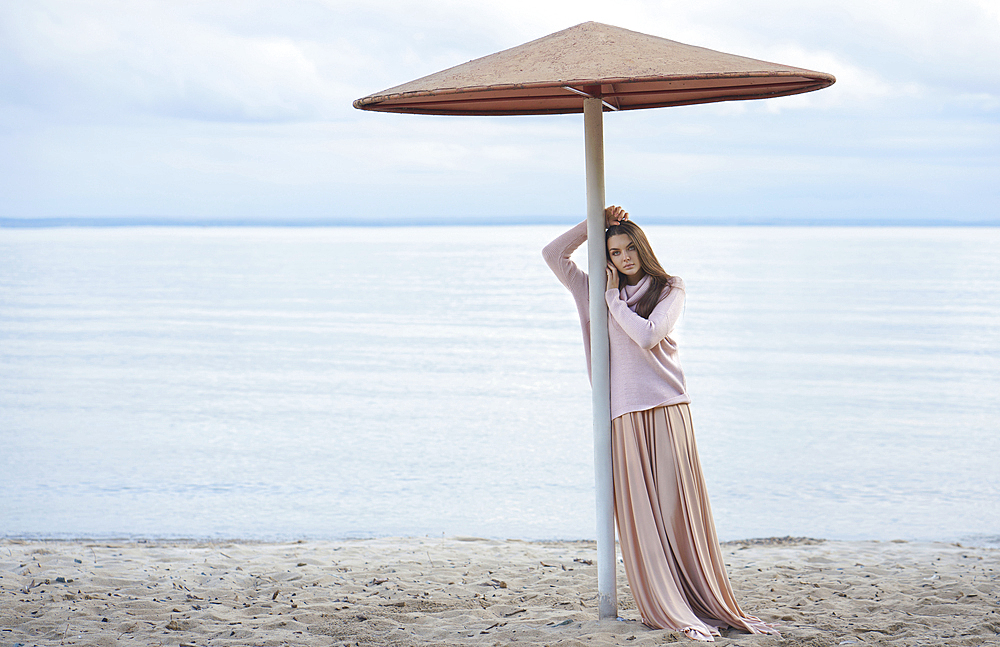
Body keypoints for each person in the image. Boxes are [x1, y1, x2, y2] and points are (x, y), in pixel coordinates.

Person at [542, 206, 775, 642]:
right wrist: (595, 220)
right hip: (622, 415)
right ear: (606, 257)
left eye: (630, 248)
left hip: (667, 409)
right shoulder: (590, 291)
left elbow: (648, 335)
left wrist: (613, 300)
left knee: (675, 509)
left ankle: (697, 596)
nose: (625, 257)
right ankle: (664, 601)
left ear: (643, 248)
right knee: (642, 519)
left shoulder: (670, 288)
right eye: (614, 251)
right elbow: (553, 254)